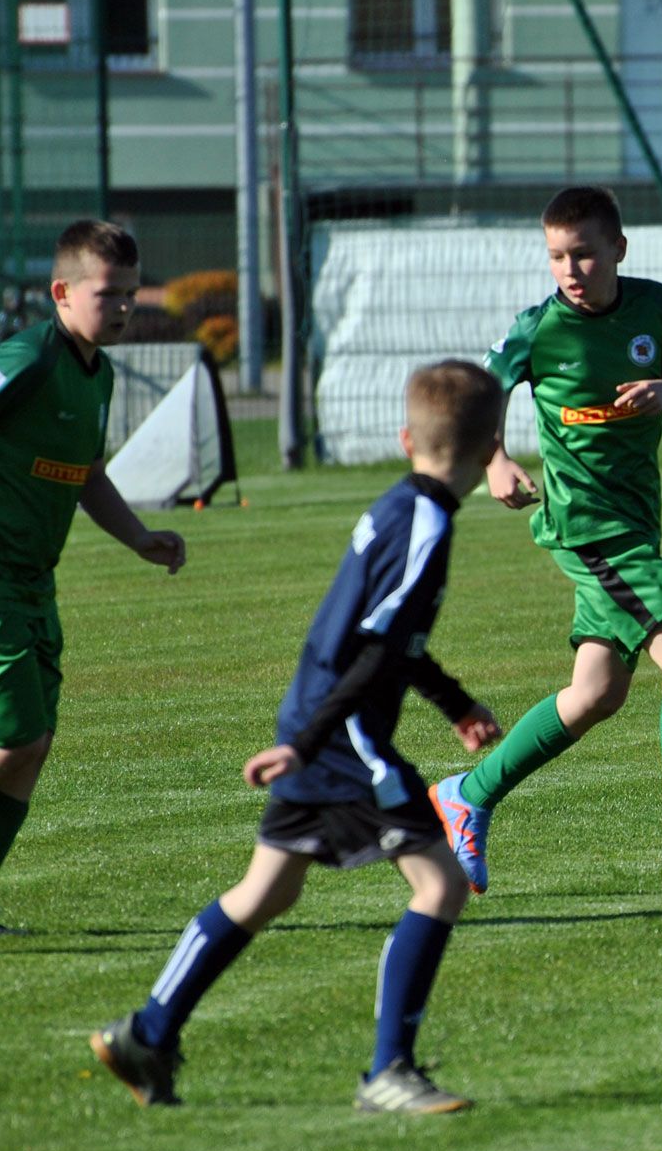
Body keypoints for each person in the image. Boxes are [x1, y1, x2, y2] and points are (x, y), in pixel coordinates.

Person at [90, 360, 507, 1112]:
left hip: (317, 716)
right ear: (492, 447)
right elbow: (376, 650)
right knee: (441, 882)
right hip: (343, 735)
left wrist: (454, 702)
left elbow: (391, 638)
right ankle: (390, 1070)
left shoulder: (398, 506)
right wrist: (310, 745)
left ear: (405, 436)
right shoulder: (429, 523)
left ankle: (147, 1032)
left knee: (267, 890)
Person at [429, 186, 662, 899]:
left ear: (618, 247)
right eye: (557, 255)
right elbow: (475, 399)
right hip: (585, 527)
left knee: (595, 693)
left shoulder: (656, 304)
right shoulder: (537, 329)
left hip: (636, 520)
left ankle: (468, 794)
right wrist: (494, 461)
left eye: (583, 252)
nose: (570, 268)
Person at [0, 221, 185, 935]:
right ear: (61, 291)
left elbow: (87, 473)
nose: (125, 306)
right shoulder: (31, 356)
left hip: (36, 582)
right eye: (109, 294)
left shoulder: (96, 372)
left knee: (29, 753)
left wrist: (137, 536)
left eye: (132, 293)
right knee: (12, 739)